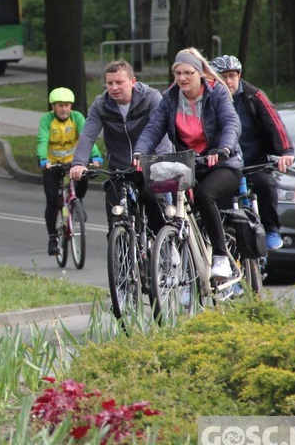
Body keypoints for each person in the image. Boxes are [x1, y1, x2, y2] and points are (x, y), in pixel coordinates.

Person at [133, 47, 244, 279]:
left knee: (205, 195)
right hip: (189, 164)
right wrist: (139, 152)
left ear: (200, 73)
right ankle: (176, 257)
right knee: (151, 192)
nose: (182, 78)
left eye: (187, 73)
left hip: (223, 163)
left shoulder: (217, 93)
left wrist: (223, 148)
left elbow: (231, 123)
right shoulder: (170, 98)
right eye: (177, 73)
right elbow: (153, 129)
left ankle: (221, 257)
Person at [70, 59, 172, 232]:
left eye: (119, 82)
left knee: (153, 198)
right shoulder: (101, 105)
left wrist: (162, 160)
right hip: (120, 169)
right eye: (110, 83)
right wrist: (79, 162)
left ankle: (163, 242)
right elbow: (88, 135)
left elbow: (161, 131)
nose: (114, 87)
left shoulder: (151, 97)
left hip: (151, 165)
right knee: (115, 216)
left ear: (133, 82)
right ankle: (120, 248)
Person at [209, 54, 295, 250]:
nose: (228, 82)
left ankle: (271, 229)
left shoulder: (253, 96)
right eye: (223, 77)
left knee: (265, 184)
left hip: (253, 159)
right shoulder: (210, 98)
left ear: (239, 75)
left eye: (232, 76)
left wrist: (286, 151)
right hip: (225, 165)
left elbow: (275, 124)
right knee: (220, 204)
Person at [37, 87, 103, 256]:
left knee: (83, 181)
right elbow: (42, 140)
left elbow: (87, 137)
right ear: (53, 107)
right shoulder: (47, 120)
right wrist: (43, 159)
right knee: (52, 200)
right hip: (52, 165)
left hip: (75, 163)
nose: (64, 108)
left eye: (67, 105)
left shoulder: (77, 118)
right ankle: (53, 238)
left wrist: (95, 155)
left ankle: (77, 203)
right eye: (60, 105)